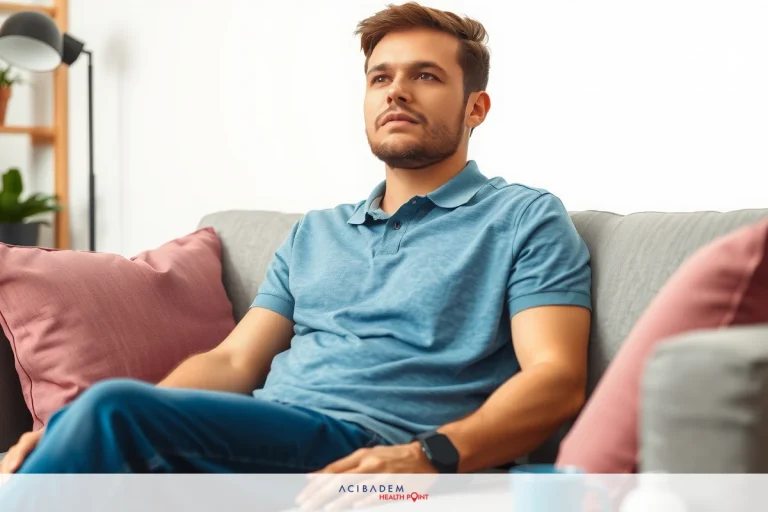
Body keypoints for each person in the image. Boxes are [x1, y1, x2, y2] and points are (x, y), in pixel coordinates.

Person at [0, 2, 591, 477]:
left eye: (426, 76)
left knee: (107, 412)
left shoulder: (522, 218)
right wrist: (68, 431)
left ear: (476, 108)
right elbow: (233, 360)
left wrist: (429, 456)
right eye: (380, 77)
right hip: (265, 439)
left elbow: (555, 377)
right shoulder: (318, 231)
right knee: (93, 426)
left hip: (373, 447)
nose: (396, 91)